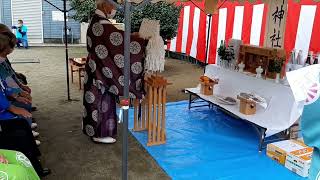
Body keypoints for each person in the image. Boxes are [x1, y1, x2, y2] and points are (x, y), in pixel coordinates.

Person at [83, 0, 146, 144]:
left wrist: (132, 36)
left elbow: (117, 37)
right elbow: (119, 41)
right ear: (105, 6)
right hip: (100, 71)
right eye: (112, 6)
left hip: (96, 67)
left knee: (97, 100)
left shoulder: (97, 21)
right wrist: (140, 40)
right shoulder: (101, 24)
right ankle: (100, 133)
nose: (114, 9)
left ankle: (96, 130)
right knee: (100, 102)